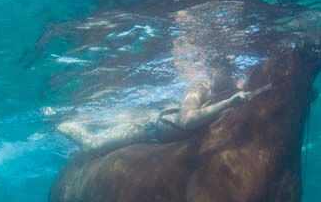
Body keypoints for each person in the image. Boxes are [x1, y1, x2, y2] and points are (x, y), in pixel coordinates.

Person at [56, 62, 265, 154]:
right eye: (223, 70)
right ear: (211, 71)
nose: (228, 74)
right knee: (94, 144)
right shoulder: (199, 89)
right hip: (147, 129)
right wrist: (228, 103)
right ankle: (61, 123)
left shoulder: (232, 85)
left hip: (168, 137)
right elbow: (187, 120)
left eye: (230, 70)